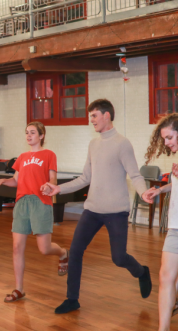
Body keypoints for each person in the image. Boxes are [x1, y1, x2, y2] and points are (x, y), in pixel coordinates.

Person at [42, 99, 153, 314]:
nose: (91, 119)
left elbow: (135, 175)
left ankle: (141, 272)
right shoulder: (93, 144)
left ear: (106, 116)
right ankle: (72, 299)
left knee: (119, 258)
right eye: (90, 115)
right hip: (92, 210)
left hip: (116, 212)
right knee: (75, 251)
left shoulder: (122, 143)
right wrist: (58, 189)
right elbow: (85, 178)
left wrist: (143, 192)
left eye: (94, 115)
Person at [0, 122, 68, 303]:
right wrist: (1, 182)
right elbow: (16, 180)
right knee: (16, 248)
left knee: (44, 249)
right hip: (22, 203)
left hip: (41, 202)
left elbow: (53, 177)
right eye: (26, 133)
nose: (28, 136)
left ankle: (62, 253)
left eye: (32, 133)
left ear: (41, 135)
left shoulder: (49, 155)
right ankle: (19, 289)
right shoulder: (22, 157)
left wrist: (49, 185)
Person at [141, 113, 178, 331]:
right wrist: (160, 189)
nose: (166, 142)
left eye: (170, 137)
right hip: (175, 226)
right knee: (166, 276)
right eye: (164, 138)